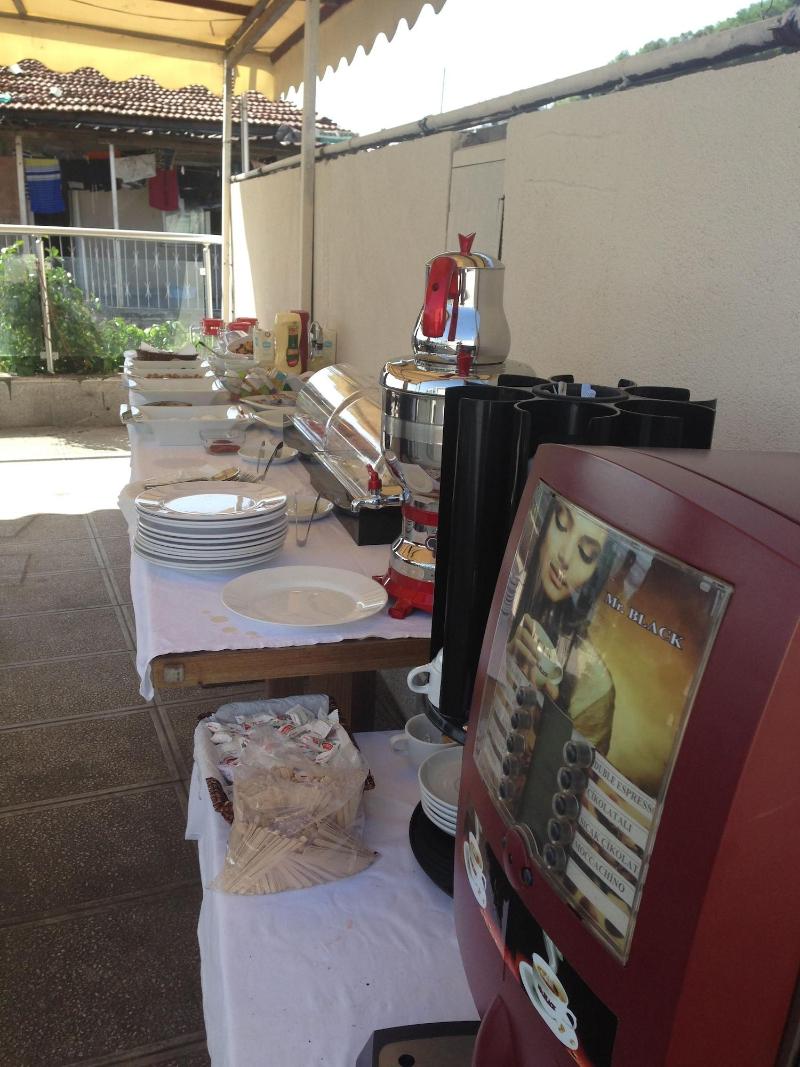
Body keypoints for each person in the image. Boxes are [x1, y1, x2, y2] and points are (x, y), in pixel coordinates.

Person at [506, 494, 617, 756]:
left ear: (598, 572)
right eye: (561, 523)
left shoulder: (593, 685)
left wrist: (547, 715)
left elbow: (570, 771)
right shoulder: (510, 596)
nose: (565, 557)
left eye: (586, 554)